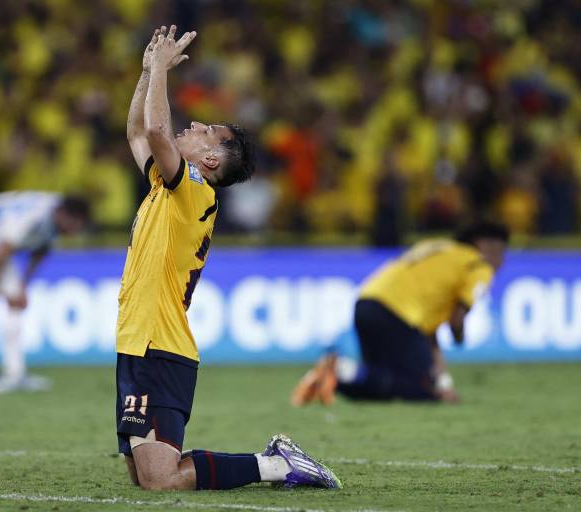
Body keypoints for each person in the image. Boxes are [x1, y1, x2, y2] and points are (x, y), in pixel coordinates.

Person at [116, 24, 341, 492]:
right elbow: (137, 131)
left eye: (207, 132)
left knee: (161, 479)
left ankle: (275, 464)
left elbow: (155, 129)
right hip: (139, 342)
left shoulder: (195, 190)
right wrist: (147, 72)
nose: (194, 126)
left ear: (212, 162)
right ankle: (271, 463)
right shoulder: (167, 185)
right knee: (145, 476)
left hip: (161, 346)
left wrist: (162, 70)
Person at [291, 220, 510, 405]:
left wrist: (444, 384)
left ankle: (339, 374)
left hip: (367, 303)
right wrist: (459, 337)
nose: (502, 260)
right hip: (397, 314)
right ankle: (341, 369)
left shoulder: (437, 247)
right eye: (501, 252)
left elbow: (429, 338)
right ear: (485, 245)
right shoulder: (479, 265)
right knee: (419, 388)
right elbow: (456, 321)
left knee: (378, 382)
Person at [0, 191, 89, 393]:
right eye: (77, 224)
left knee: (16, 300)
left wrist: (24, 285)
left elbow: (40, 251)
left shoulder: (56, 216)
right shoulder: (34, 217)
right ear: (66, 215)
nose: (77, 230)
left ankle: (15, 374)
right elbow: (5, 248)